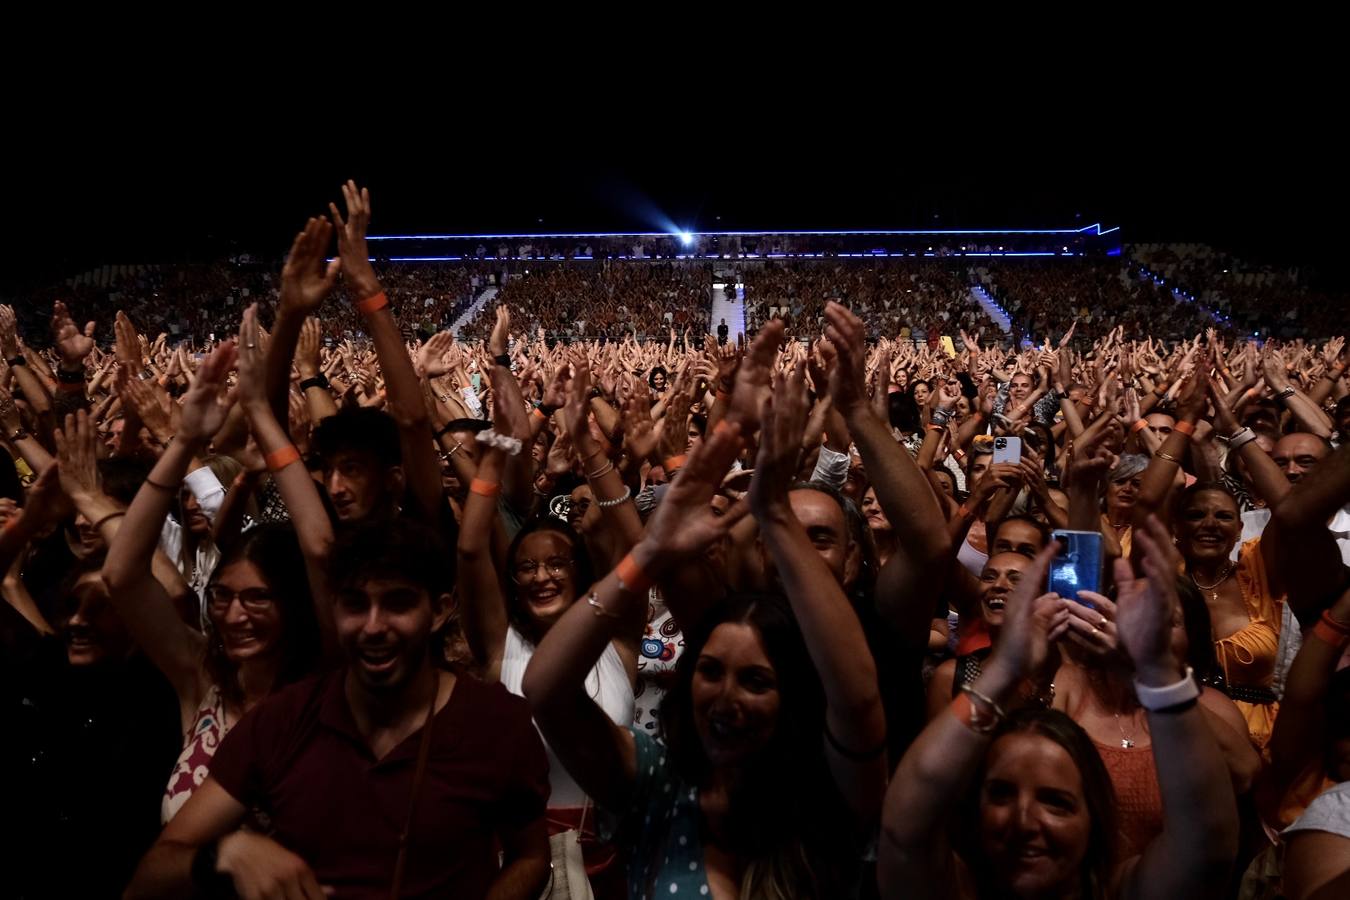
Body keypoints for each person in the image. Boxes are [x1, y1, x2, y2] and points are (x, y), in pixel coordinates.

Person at [522, 350, 887, 899]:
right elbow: (545, 691)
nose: (725, 697)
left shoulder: (825, 795)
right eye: (710, 671)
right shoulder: (661, 781)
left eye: (757, 681)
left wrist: (777, 514)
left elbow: (858, 699)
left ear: (795, 696)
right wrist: (642, 561)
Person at [124, 519, 551, 899]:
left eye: (398, 603)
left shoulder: (497, 722)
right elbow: (152, 874)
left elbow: (529, 858)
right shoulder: (281, 721)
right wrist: (223, 855)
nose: (372, 626)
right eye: (355, 604)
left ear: (439, 611)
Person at [880, 520, 1239, 900]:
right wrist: (1004, 670)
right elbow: (904, 820)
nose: (1023, 821)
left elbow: (1208, 844)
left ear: (1093, 821)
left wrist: (1157, 675)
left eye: (1056, 802)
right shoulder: (953, 889)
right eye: (1000, 794)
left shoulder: (1122, 892)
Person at [102, 336, 329, 822]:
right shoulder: (202, 677)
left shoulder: (331, 688)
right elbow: (121, 576)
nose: (232, 615)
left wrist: (268, 424)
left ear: (294, 602)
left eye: (256, 599)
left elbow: (319, 548)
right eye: (222, 596)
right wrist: (180, 440)